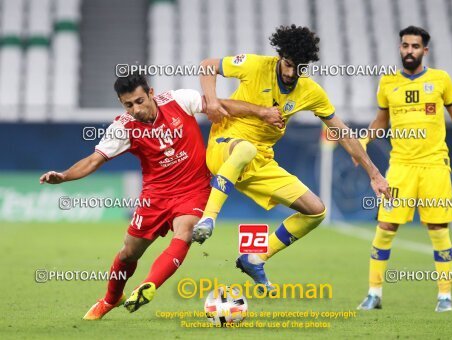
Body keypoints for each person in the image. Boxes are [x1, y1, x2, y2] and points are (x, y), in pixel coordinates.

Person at [39, 73, 282, 319]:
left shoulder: (179, 100)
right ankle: (110, 299)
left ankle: (149, 285)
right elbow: (94, 160)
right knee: (128, 253)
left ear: (151, 93)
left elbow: (221, 104)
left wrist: (262, 113)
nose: (135, 109)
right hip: (155, 197)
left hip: (193, 190)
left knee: (185, 232)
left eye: (139, 101)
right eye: (128, 105)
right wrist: (64, 176)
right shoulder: (123, 128)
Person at [192, 24, 390, 294]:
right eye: (286, 63)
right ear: (279, 56)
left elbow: (341, 131)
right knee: (245, 149)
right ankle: (208, 219)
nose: (289, 72)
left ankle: (255, 258)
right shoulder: (253, 65)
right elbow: (207, 65)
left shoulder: (310, 92)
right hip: (224, 146)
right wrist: (213, 102)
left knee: (316, 210)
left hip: (261, 160)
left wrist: (374, 174)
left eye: (298, 67)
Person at [355, 26, 452, 312]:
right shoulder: (388, 82)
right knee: (386, 226)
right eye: (405, 45)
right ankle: (374, 293)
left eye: (415, 46)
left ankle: (444, 297)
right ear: (400, 48)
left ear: (424, 50)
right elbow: (380, 121)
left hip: (434, 165)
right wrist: (362, 143)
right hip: (400, 166)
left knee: (438, 227)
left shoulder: (440, 80)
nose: (409, 51)